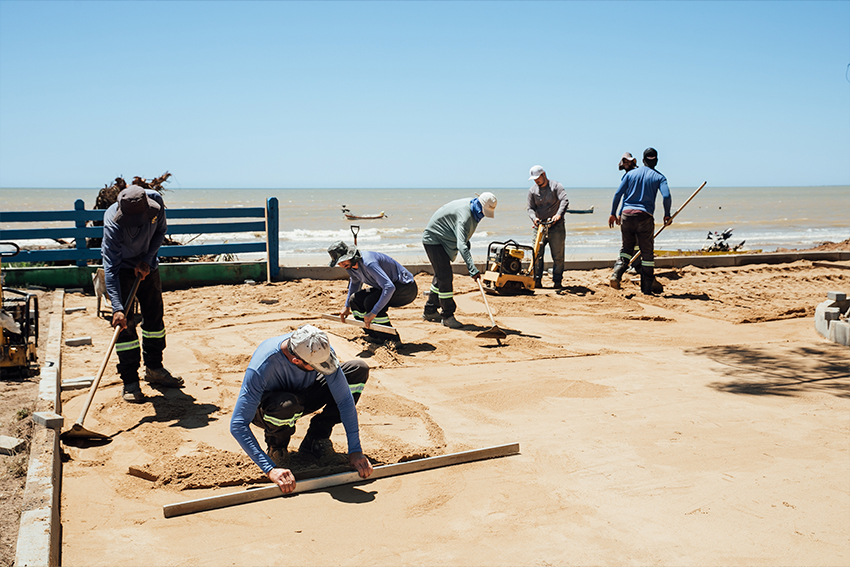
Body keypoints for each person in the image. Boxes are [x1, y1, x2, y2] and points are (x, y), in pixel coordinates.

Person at [229, 324, 373, 493]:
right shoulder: (262, 366)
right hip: (270, 408)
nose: (324, 367)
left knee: (357, 370)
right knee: (286, 404)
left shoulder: (317, 347)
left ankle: (316, 439)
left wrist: (355, 450)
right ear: (296, 360)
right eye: (317, 366)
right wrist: (270, 469)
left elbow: (345, 401)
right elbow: (238, 424)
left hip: (303, 394)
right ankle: (277, 449)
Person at [102, 185, 184, 403]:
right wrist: (117, 308)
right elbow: (109, 269)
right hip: (122, 271)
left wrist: (147, 260)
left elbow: (160, 232)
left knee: (155, 319)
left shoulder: (156, 202)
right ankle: (130, 381)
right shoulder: (112, 223)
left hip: (148, 267)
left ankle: (155, 369)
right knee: (125, 328)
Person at [421, 192, 497, 328]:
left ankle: (430, 310)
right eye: (482, 212)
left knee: (441, 275)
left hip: (442, 240)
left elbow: (462, 237)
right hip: (434, 240)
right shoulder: (465, 215)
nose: (482, 216)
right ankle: (447, 316)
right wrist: (472, 268)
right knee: (445, 277)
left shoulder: (472, 207)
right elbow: (461, 245)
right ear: (479, 205)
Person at [608, 147, 672, 295]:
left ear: (642, 160)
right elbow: (667, 196)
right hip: (645, 217)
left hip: (626, 215)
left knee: (626, 249)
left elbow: (618, 194)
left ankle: (616, 274)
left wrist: (613, 213)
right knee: (647, 254)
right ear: (656, 161)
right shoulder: (659, 177)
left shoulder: (630, 175)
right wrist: (667, 215)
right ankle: (647, 289)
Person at [327, 241, 418, 338]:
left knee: (370, 302)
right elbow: (355, 283)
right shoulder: (350, 267)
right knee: (355, 300)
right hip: (387, 287)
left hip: (406, 289)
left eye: (343, 260)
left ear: (350, 255)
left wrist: (373, 312)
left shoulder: (369, 263)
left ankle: (391, 339)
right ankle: (373, 334)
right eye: (339, 262)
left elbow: (389, 287)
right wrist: (347, 306)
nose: (342, 264)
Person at [527, 166, 569, 289]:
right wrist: (534, 218)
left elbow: (564, 200)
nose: (536, 181)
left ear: (543, 174)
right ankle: (537, 280)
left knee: (558, 255)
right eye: (534, 179)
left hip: (556, 227)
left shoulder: (556, 186)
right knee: (537, 255)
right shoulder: (532, 191)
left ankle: (557, 281)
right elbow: (530, 208)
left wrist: (558, 215)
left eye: (537, 178)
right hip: (539, 226)